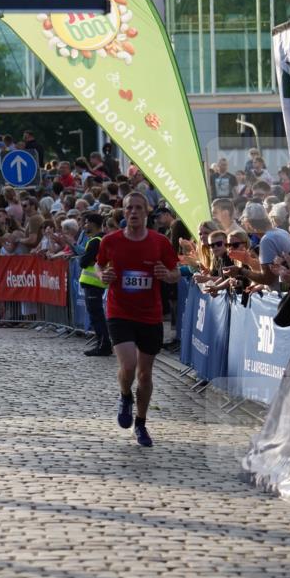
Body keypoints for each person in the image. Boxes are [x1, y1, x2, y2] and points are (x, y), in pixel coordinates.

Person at [96, 191, 180, 448]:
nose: (133, 212)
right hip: (119, 311)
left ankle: (141, 423)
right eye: (128, 208)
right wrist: (102, 276)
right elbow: (99, 265)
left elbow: (176, 272)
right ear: (124, 212)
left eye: (138, 208)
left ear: (146, 212)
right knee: (129, 365)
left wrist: (167, 275)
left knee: (144, 375)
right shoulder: (110, 241)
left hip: (150, 314)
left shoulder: (159, 242)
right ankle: (125, 396)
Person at [78, 213, 112, 357]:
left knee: (96, 316)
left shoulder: (95, 241)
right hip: (96, 283)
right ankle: (102, 343)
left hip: (94, 283)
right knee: (96, 315)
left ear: (92, 224)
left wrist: (85, 260)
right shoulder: (100, 239)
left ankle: (103, 345)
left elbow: (83, 262)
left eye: (86, 223)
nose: (84, 225)